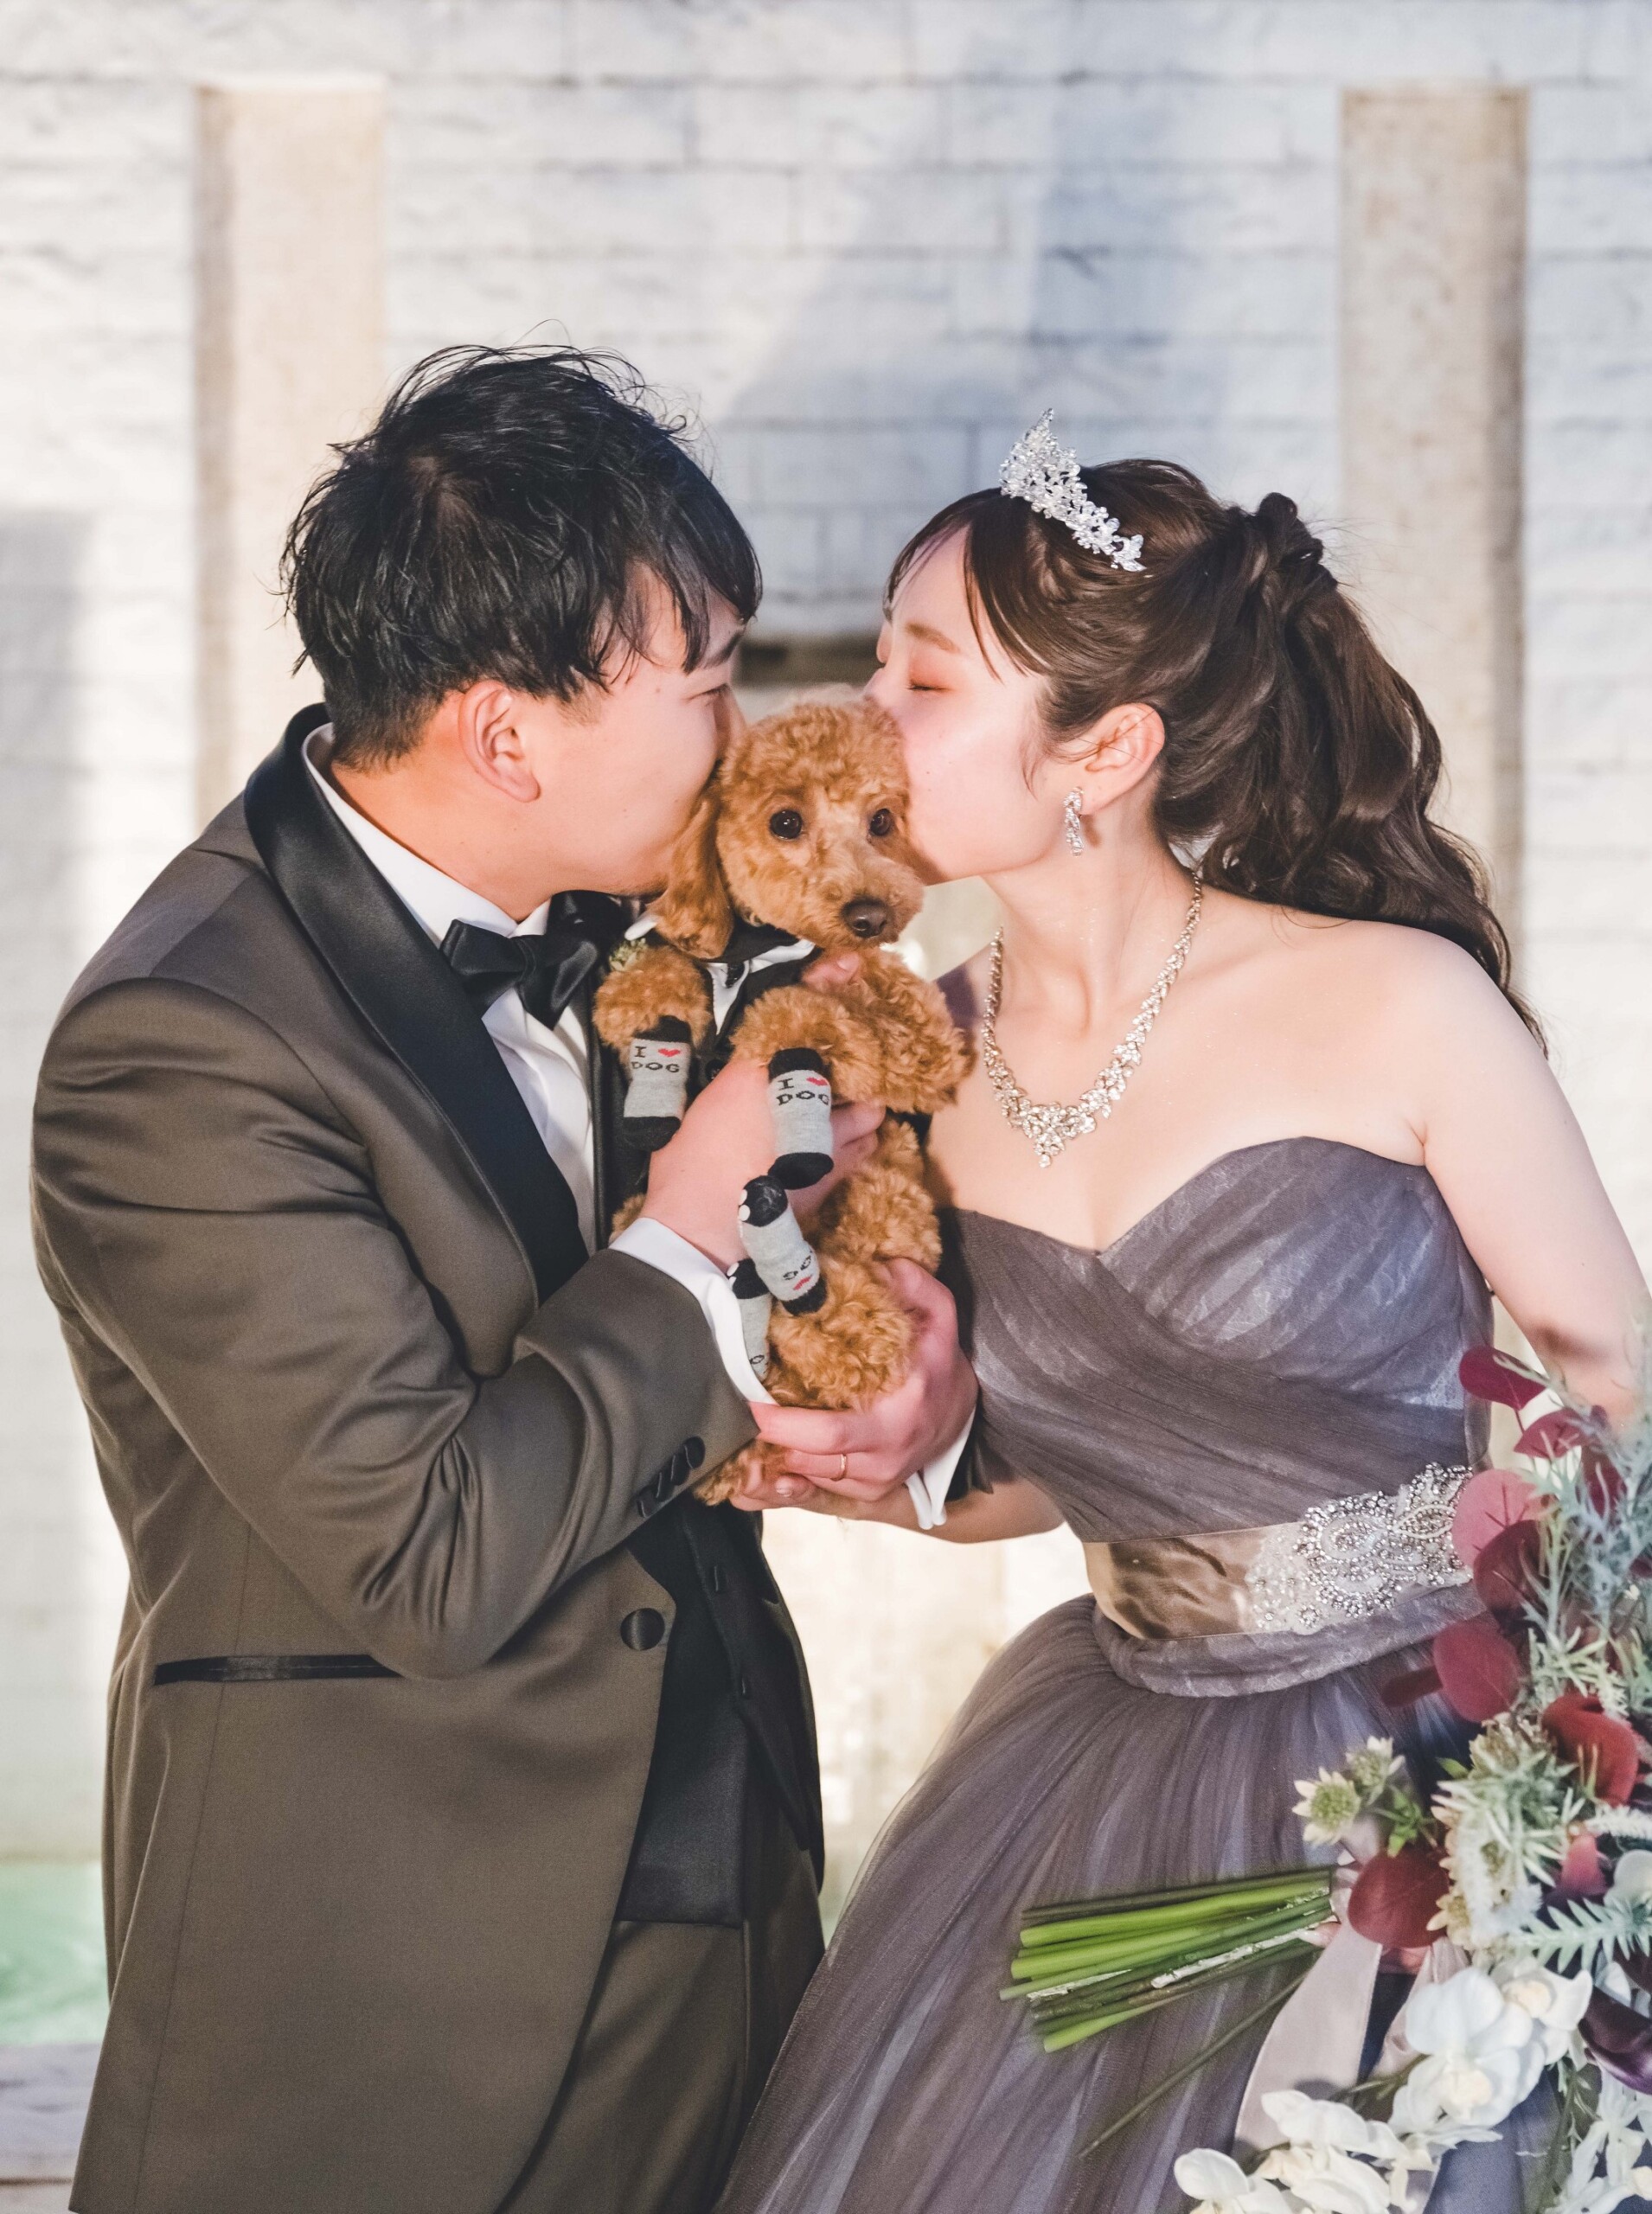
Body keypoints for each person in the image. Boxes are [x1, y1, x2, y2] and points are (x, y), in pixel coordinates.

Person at [30, 346, 974, 2214]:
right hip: (397, 2010)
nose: (739, 734)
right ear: (506, 735)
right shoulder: (178, 1044)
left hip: (728, 1914)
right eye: (701, 683)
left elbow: (790, 1293)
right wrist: (695, 1222)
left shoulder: (660, 908)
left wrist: (917, 1412)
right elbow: (429, 1551)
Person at [717, 430, 1649, 2211]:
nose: (861, 718)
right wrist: (894, 1474)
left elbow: (1626, 1398)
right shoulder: (911, 1059)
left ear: (1105, 752)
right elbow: (1046, 1476)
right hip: (1103, 1764)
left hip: (1439, 1767)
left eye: (922, 679)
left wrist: (1582, 1779)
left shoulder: (1393, 1002)